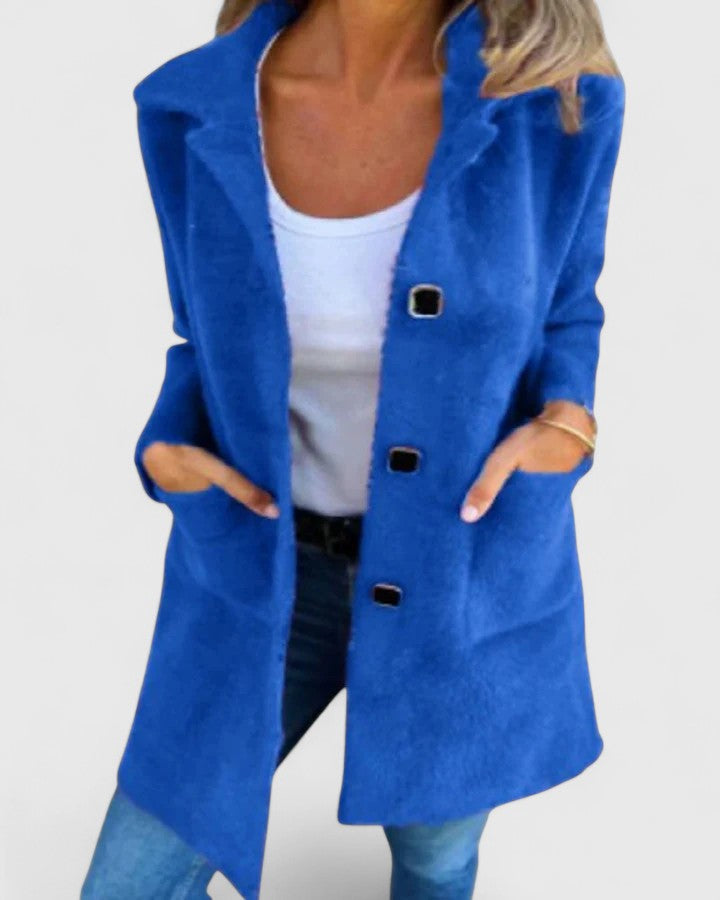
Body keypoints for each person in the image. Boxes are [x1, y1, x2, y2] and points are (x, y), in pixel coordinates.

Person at [82, 0, 625, 897]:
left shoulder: (556, 100)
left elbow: (569, 302)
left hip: (460, 578)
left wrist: (569, 424)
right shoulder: (192, 106)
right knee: (129, 882)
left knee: (435, 860)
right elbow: (197, 334)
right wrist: (167, 447)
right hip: (261, 569)